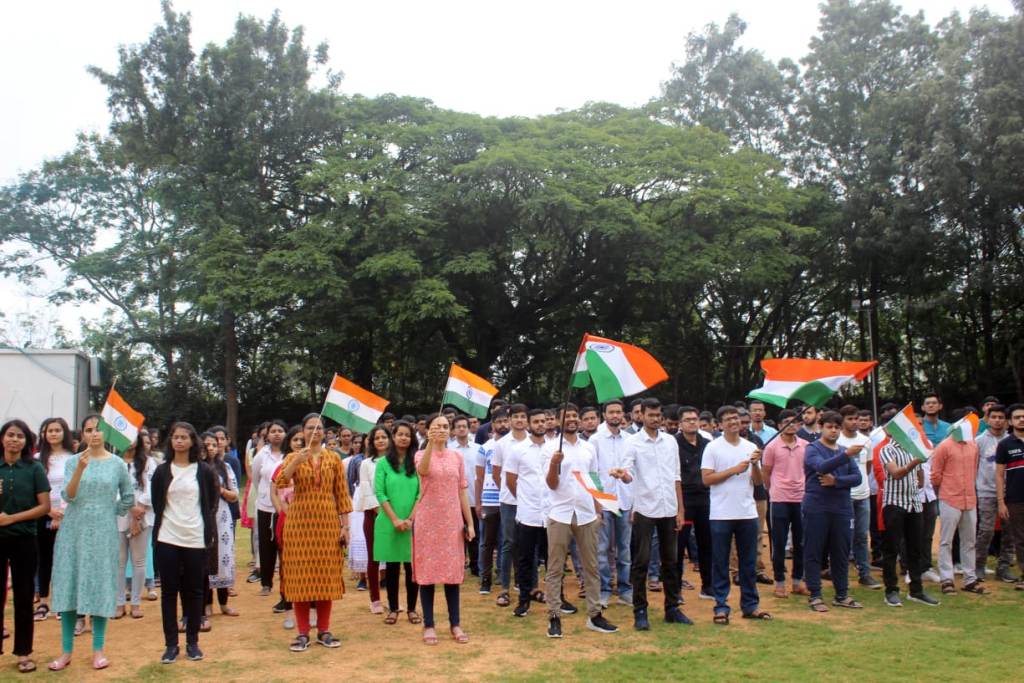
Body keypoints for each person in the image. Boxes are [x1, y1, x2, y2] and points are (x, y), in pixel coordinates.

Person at [48, 414, 134, 671]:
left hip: (103, 531)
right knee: (70, 586)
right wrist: (81, 469)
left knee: (99, 585)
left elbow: (128, 497)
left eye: (98, 430)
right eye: (88, 430)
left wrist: (111, 511)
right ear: (82, 434)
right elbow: (68, 495)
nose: (94, 434)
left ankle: (98, 649)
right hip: (74, 529)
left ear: (106, 433)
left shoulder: (118, 463)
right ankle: (66, 651)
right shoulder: (74, 461)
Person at [274, 413, 352, 652]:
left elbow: (341, 494)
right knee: (300, 579)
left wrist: (345, 526)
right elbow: (280, 484)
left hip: (327, 522)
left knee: (325, 577)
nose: (314, 432)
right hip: (299, 524)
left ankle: (324, 630)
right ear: (303, 431)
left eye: (319, 428)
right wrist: (298, 462)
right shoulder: (292, 457)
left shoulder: (333, 459)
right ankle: (302, 633)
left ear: (325, 432)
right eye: (310, 428)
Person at [541, 404, 618, 637]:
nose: (573, 420)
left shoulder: (588, 448)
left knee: (592, 566)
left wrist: (599, 510)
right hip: (559, 513)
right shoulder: (550, 448)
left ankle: (595, 615)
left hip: (586, 514)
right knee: (555, 569)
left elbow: (594, 480)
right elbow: (551, 484)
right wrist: (555, 462)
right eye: (568, 416)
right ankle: (554, 616)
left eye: (575, 416)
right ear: (557, 420)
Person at [613, 398, 690, 630]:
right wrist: (622, 475)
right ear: (642, 415)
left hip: (669, 508)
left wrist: (680, 509)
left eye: (658, 415)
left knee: (671, 560)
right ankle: (640, 611)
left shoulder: (670, 442)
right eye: (651, 415)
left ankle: (672, 608)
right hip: (645, 508)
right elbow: (627, 472)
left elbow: (676, 476)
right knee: (642, 561)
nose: (655, 419)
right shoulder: (633, 443)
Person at [151, 422, 219, 664]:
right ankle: (171, 645)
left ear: (192, 441)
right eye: (175, 437)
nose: (179, 441)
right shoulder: (161, 471)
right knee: (169, 592)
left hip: (195, 537)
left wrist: (205, 529)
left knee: (194, 591)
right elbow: (157, 503)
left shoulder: (203, 470)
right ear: (170, 441)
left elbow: (211, 502)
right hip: (167, 536)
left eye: (184, 437)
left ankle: (193, 642)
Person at [700, 405, 770, 625]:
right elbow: (707, 479)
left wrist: (755, 463)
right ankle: (721, 606)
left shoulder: (750, 446)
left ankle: (751, 605)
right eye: (728, 419)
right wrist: (734, 470)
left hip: (747, 512)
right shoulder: (713, 447)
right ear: (720, 424)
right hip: (721, 514)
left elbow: (758, 482)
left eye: (736, 419)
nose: (733, 422)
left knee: (748, 563)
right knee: (720, 562)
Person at [414, 414, 475, 645]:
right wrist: (431, 443)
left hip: (452, 521)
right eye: (436, 426)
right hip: (427, 521)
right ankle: (429, 624)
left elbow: (462, 490)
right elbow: (423, 471)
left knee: (452, 575)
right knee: (427, 575)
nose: (441, 429)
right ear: (428, 430)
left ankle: (455, 624)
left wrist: (469, 523)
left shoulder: (457, 457)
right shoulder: (420, 454)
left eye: (444, 426)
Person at [0, 419, 51, 673]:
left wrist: (12, 518)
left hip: (24, 539)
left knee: (22, 596)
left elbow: (44, 507)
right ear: (2, 438)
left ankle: (24, 652)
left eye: (20, 436)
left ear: (26, 441)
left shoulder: (34, 469)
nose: (14, 440)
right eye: (10, 435)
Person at [801, 411, 862, 612]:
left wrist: (836, 482)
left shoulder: (844, 451)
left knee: (841, 551)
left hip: (842, 508)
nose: (833, 430)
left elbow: (857, 478)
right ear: (821, 428)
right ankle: (815, 594)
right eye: (829, 426)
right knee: (814, 550)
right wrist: (845, 456)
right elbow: (820, 467)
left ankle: (841, 594)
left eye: (837, 427)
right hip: (817, 506)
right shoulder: (813, 449)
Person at [879, 439, 940, 607]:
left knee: (915, 549)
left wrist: (917, 473)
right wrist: (915, 463)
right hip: (894, 503)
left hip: (914, 503)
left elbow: (921, 479)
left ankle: (916, 590)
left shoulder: (914, 448)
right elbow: (896, 473)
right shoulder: (887, 449)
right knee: (891, 549)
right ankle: (891, 590)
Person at [930, 411, 984, 594]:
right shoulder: (944, 446)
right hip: (949, 498)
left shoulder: (973, 446)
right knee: (946, 540)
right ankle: (947, 579)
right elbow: (935, 475)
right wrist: (945, 489)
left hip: (969, 498)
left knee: (969, 541)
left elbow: (974, 469)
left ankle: (970, 579)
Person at [374, 421, 420, 625]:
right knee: (392, 567)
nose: (403, 438)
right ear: (394, 437)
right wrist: (395, 519)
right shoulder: (383, 463)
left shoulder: (417, 462)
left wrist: (411, 518)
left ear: (412, 438)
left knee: (412, 568)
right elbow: (380, 492)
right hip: (389, 522)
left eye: (407, 435)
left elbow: (421, 492)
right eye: (400, 434)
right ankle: (393, 609)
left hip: (413, 522)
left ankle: (411, 609)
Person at [505, 409, 551, 618]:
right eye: (536, 421)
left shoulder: (555, 448)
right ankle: (524, 600)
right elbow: (511, 480)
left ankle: (556, 598)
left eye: (543, 421)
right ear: (529, 424)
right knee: (524, 559)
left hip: (551, 514)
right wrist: (524, 500)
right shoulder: (518, 450)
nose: (541, 424)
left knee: (553, 559)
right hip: (528, 513)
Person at [761, 409, 809, 599]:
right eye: (787, 421)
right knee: (779, 543)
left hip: (801, 498)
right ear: (780, 425)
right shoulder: (772, 446)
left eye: (795, 421)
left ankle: (797, 581)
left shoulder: (806, 445)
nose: (792, 424)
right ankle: (779, 582)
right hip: (779, 498)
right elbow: (766, 472)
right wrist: (773, 489)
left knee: (801, 542)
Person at [591, 399, 632, 607]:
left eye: (618, 412)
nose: (615, 416)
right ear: (604, 415)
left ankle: (625, 589)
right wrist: (597, 501)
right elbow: (592, 472)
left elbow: (634, 472)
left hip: (625, 498)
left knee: (624, 548)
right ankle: (605, 588)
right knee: (602, 549)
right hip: (604, 499)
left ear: (623, 415)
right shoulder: (595, 441)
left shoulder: (630, 440)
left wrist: (625, 476)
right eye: (611, 412)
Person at [33, 417, 73, 623]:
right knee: (44, 558)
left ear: (64, 433)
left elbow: (74, 486)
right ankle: (44, 601)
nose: (54, 434)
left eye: (58, 430)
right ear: (44, 434)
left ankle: (61, 601)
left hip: (68, 514)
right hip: (43, 514)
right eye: (50, 430)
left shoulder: (73, 458)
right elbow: (35, 489)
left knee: (64, 559)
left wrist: (62, 511)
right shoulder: (37, 459)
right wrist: (49, 511)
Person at [836, 405, 880, 589]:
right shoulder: (836, 440)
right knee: (842, 536)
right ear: (842, 420)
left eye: (856, 418)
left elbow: (867, 467)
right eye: (850, 419)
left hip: (862, 495)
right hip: (843, 495)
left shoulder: (866, 441)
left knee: (862, 535)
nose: (854, 422)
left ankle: (864, 573)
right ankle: (840, 573)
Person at [115, 432, 157, 619]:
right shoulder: (113, 462)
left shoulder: (148, 463)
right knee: (119, 561)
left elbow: (152, 488)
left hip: (143, 515)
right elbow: (112, 490)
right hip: (118, 515)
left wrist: (138, 510)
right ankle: (119, 602)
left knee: (139, 561)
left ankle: (136, 602)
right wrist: (130, 508)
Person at [491, 403, 528, 607]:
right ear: (510, 419)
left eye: (523, 416)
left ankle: (528, 586)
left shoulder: (535, 442)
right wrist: (510, 491)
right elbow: (497, 474)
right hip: (508, 500)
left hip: (531, 502)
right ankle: (504, 588)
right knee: (508, 543)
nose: (520, 420)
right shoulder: (501, 444)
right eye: (516, 417)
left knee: (529, 544)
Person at [974, 405, 1016, 583]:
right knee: (986, 531)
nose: (997, 420)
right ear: (988, 419)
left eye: (1001, 417)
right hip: (986, 491)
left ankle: (1004, 568)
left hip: (1011, 493)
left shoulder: (1013, 441)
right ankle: (978, 566)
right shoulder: (979, 441)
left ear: (1006, 420)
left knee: (1010, 532)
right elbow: (973, 466)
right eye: (994, 417)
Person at [675, 405, 713, 600]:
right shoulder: (673, 443)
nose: (692, 422)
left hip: (705, 499)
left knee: (706, 543)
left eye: (695, 419)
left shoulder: (707, 443)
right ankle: (676, 590)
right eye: (688, 419)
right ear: (680, 424)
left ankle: (708, 586)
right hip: (683, 500)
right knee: (679, 546)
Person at [250, 420, 288, 605]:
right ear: (267, 435)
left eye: (280, 431)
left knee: (285, 545)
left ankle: (286, 582)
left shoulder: (290, 454)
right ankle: (266, 582)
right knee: (266, 545)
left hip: (287, 507)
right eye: (273, 431)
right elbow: (256, 478)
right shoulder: (261, 455)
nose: (277, 434)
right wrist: (267, 495)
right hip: (265, 505)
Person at [355, 425, 390, 615]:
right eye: (377, 438)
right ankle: (375, 599)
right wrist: (381, 510)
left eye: (384, 437)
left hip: (396, 514)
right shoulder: (366, 463)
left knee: (394, 558)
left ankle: (393, 600)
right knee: (374, 556)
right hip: (373, 513)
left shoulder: (398, 462)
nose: (381, 440)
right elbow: (366, 489)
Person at [272, 425, 304, 629]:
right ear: (289, 443)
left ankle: (310, 605)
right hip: (289, 520)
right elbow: (274, 491)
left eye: (303, 439)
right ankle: (289, 605)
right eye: (296, 440)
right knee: (289, 565)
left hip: (311, 521)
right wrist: (284, 511)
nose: (300, 443)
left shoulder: (318, 462)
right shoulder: (283, 465)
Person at [475, 407, 509, 594]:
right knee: (487, 542)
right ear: (493, 425)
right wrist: (478, 502)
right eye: (499, 422)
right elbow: (478, 477)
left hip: (510, 499)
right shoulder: (485, 447)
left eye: (505, 421)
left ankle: (503, 577)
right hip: (489, 499)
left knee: (507, 541)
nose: (503, 425)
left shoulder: (515, 445)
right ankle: (485, 579)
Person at [205, 434, 239, 618]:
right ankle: (207, 603)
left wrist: (222, 490)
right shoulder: (197, 468)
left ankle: (224, 603)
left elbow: (234, 495)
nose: (211, 447)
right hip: (203, 518)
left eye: (214, 444)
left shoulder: (225, 467)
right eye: (207, 444)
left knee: (223, 558)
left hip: (223, 516)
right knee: (206, 559)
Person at [995, 403, 1024, 591]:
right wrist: (1001, 502)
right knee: (1020, 539)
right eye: (1017, 417)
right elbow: (999, 475)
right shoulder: (1005, 445)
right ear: (1010, 422)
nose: (1021, 420)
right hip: (1015, 499)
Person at [449, 416, 481, 577]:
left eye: (464, 426)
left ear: (469, 429)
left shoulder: (478, 449)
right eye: (458, 426)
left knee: (474, 533)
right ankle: (458, 565)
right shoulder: (448, 449)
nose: (461, 429)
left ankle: (475, 566)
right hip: (454, 500)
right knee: (456, 535)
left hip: (474, 497)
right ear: (453, 430)